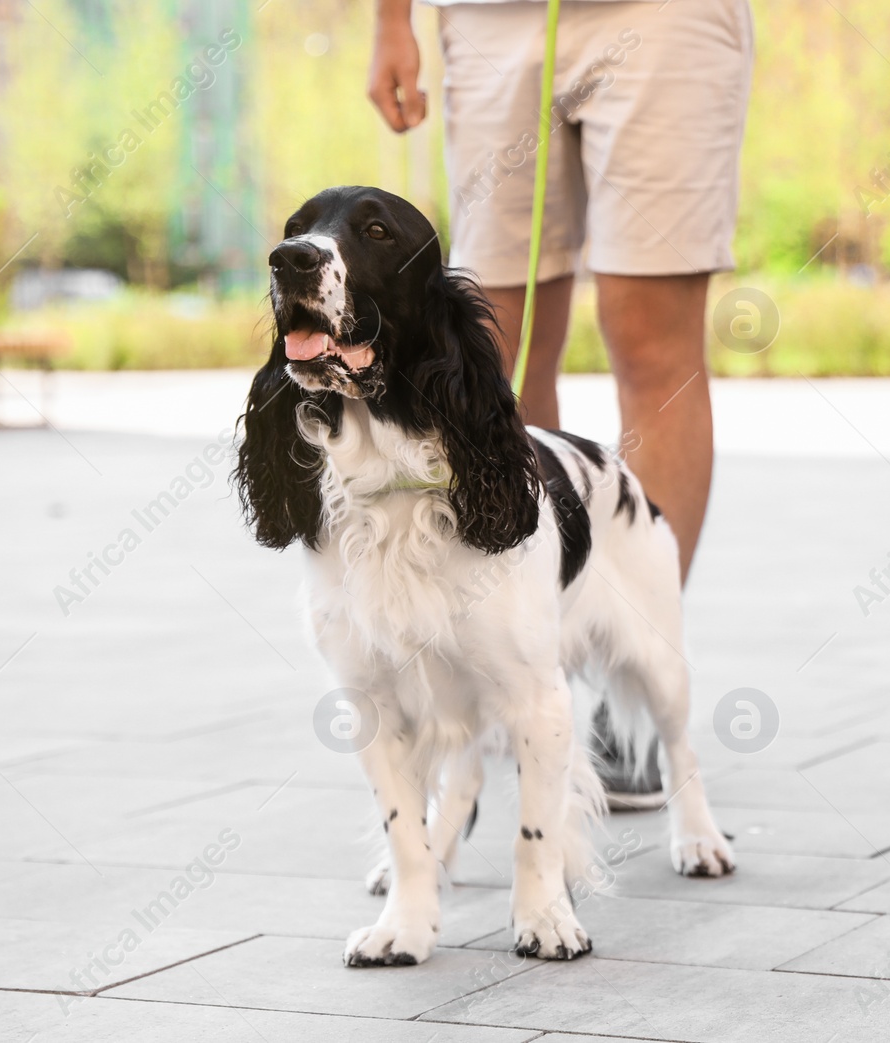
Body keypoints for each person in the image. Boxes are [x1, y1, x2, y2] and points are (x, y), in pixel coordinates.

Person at [368, 0, 753, 807]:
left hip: (665, 17)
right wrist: (389, 21)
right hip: (489, 18)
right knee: (497, 344)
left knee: (653, 339)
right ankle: (506, 657)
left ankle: (628, 680)